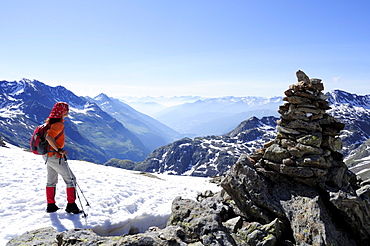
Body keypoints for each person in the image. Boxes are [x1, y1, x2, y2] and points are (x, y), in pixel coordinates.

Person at [44, 102, 82, 214]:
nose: (68, 111)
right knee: (71, 180)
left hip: (47, 156)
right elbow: (49, 137)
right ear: (62, 111)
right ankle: (71, 205)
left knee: (51, 181)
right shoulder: (58, 124)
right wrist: (59, 150)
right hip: (55, 156)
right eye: (67, 109)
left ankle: (51, 205)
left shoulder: (50, 123)